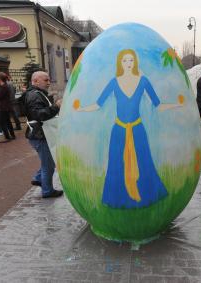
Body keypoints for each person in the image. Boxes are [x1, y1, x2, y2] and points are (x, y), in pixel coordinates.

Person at [74, 49, 182, 209]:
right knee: (116, 164)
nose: (128, 63)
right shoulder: (114, 82)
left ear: (135, 62)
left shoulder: (143, 81)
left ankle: (147, 197)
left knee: (144, 162)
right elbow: (98, 104)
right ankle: (117, 200)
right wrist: (80, 109)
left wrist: (177, 104)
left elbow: (157, 104)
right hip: (119, 130)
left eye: (131, 60)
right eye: (125, 60)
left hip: (138, 129)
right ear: (120, 63)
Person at [25, 71, 63, 198]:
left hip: (39, 134)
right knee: (48, 165)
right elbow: (39, 115)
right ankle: (47, 191)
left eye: (48, 80)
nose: (48, 83)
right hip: (39, 135)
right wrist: (56, 106)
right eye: (46, 80)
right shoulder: (34, 95)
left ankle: (38, 178)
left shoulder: (37, 94)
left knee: (48, 162)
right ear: (35, 81)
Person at [0, 72, 16, 142]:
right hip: (6, 107)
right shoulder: (5, 86)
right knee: (7, 121)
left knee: (1, 122)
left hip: (3, 107)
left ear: (0, 79)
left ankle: (7, 137)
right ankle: (12, 135)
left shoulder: (3, 87)